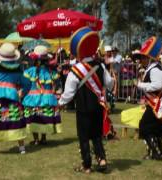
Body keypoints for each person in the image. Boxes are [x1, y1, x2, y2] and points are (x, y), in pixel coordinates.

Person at [58, 27, 113, 173]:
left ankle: (87, 166)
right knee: (96, 135)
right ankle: (102, 160)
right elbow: (110, 83)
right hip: (97, 107)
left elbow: (69, 93)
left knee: (83, 137)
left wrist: (60, 103)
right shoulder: (100, 65)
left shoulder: (76, 69)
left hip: (83, 108)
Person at [134, 36, 162, 160]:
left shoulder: (155, 69)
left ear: (149, 57)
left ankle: (155, 152)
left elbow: (158, 85)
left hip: (158, 103)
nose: (141, 60)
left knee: (144, 126)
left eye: (143, 57)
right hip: (155, 102)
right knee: (154, 128)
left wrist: (140, 85)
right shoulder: (151, 68)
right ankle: (158, 151)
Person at [22, 45, 62, 145]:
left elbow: (25, 85)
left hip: (32, 98)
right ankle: (43, 138)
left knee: (33, 118)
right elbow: (57, 84)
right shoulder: (51, 72)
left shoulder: (30, 71)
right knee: (44, 118)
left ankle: (36, 140)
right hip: (47, 98)